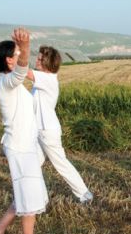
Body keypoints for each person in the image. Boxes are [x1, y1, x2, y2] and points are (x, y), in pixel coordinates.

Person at [0, 27, 50, 234]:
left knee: (24, 193)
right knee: (29, 197)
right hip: (20, 148)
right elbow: (22, 71)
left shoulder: (9, 82)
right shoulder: (8, 82)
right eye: (18, 53)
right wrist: (27, 45)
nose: (23, 55)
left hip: (24, 146)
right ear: (10, 60)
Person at [25, 46, 93, 203]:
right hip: (40, 131)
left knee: (61, 164)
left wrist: (6, 58)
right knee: (31, 166)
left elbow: (23, 72)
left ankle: (85, 195)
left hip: (48, 132)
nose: (36, 60)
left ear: (47, 63)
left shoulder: (47, 79)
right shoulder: (41, 80)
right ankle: (36, 197)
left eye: (40, 59)